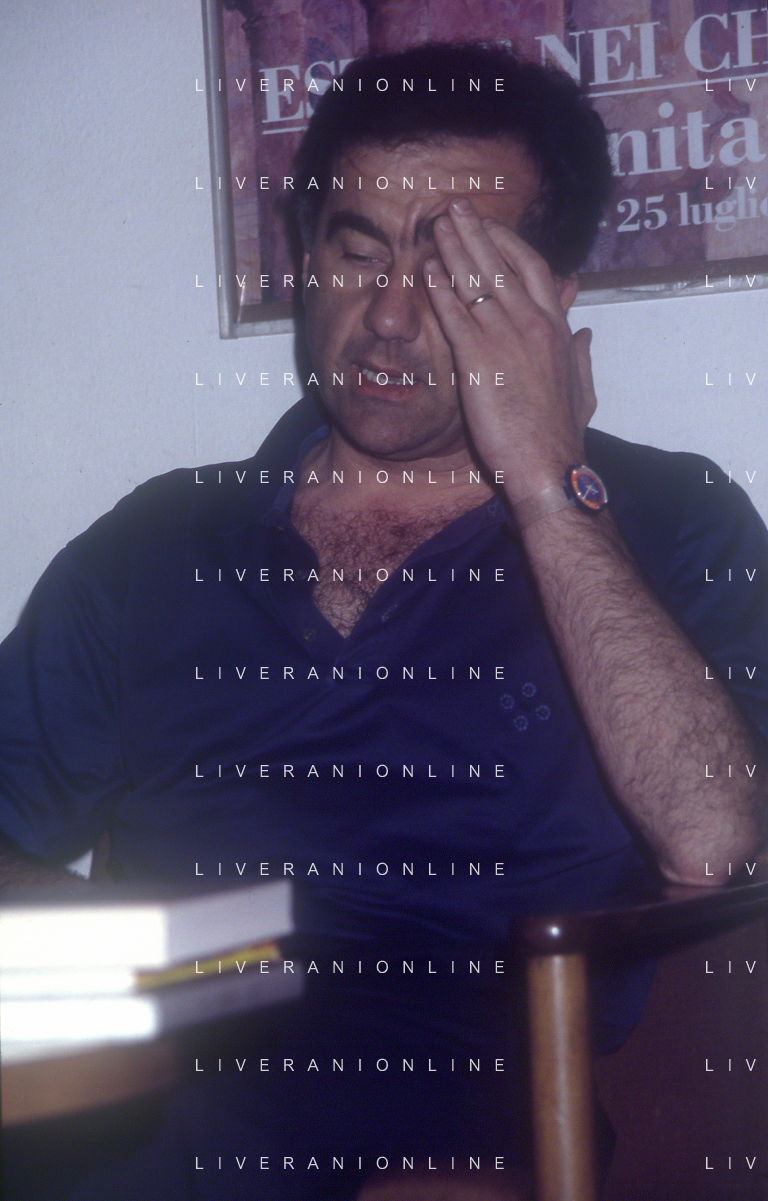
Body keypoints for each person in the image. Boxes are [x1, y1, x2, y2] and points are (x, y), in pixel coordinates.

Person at [1, 41, 767, 1201]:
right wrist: (106, 946)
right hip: (143, 1051)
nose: (391, 319)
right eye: (356, 253)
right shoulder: (162, 541)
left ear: (551, 302)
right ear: (303, 259)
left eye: (457, 279)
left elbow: (713, 839)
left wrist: (547, 484)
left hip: (453, 1080)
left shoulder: (671, 519)